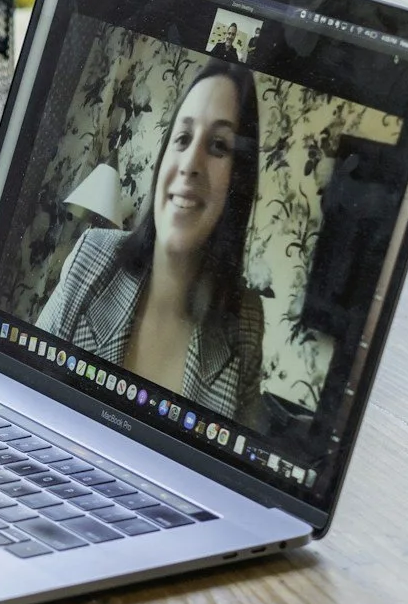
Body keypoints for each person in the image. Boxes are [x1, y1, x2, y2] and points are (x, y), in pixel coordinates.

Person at [36, 57, 267, 426]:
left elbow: (232, 470)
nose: (191, 163)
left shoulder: (246, 321)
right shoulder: (92, 256)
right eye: (182, 138)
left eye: (219, 146)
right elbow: (22, 388)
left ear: (237, 182)